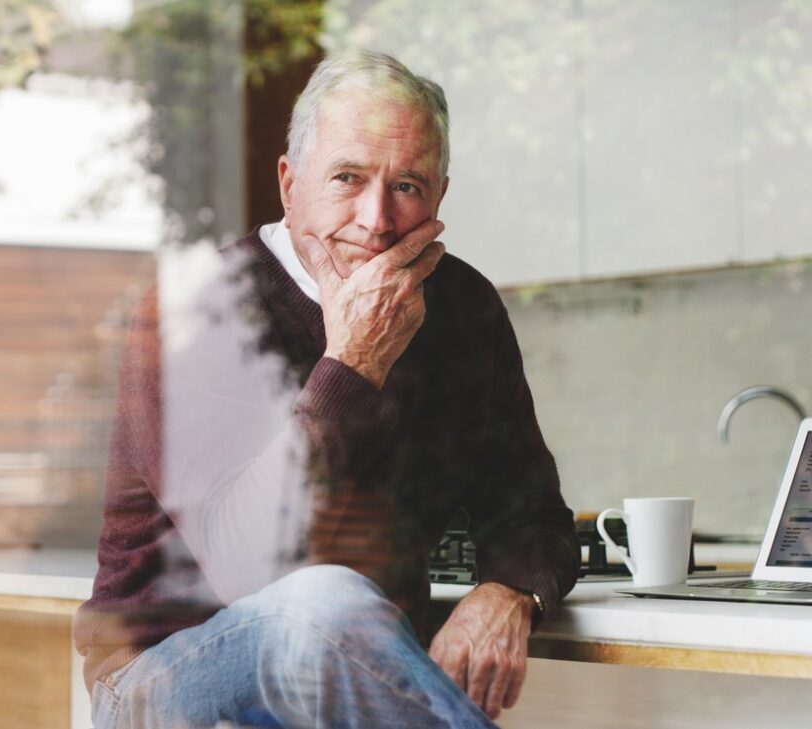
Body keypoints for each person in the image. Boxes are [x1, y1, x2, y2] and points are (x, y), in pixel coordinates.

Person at [74, 49, 580, 728]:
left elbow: (532, 513)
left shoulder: (464, 307)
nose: (377, 218)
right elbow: (250, 565)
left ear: (440, 197)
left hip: (344, 689)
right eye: (348, 177)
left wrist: (509, 591)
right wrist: (354, 361)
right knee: (320, 603)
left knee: (332, 608)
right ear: (290, 185)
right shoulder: (197, 310)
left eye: (408, 185)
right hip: (162, 678)